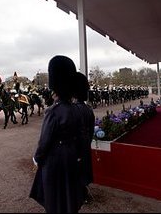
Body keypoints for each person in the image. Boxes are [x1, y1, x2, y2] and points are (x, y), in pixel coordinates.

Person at [29, 55, 85, 213]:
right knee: (69, 196)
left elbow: (45, 141)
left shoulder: (53, 111)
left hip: (55, 160)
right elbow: (82, 135)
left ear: (56, 88)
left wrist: (37, 158)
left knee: (55, 198)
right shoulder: (77, 108)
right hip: (72, 156)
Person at [73, 71, 95, 204]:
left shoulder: (74, 109)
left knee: (77, 170)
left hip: (76, 145)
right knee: (84, 168)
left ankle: (80, 193)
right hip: (86, 142)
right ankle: (83, 191)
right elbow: (91, 128)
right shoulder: (88, 108)